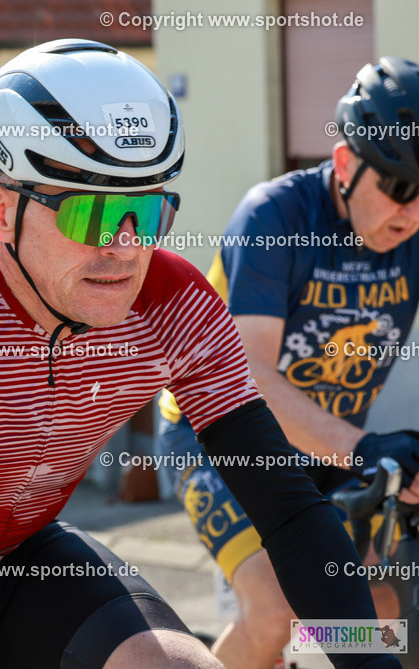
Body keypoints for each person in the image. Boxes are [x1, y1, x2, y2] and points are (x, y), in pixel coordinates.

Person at [0, 39, 396, 668]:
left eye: (146, 211)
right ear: (0, 210)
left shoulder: (172, 302)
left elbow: (289, 514)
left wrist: (373, 661)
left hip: (16, 546)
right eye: (94, 213)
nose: (125, 247)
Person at [158, 55, 419, 668]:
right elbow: (249, 378)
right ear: (347, 163)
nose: (410, 213)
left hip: (327, 446)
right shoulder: (273, 217)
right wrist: (364, 448)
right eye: (399, 189)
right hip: (221, 434)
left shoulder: (409, 231)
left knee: (375, 617)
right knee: (275, 612)